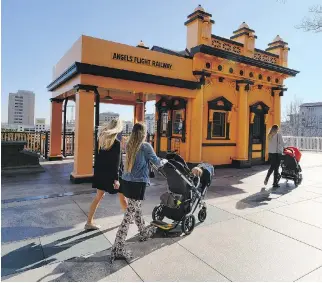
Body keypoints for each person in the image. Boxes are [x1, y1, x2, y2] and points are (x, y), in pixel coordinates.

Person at [110, 122, 162, 263]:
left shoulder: (129, 144)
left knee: (135, 208)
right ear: (144, 133)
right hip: (138, 184)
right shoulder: (145, 146)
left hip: (127, 182)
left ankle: (143, 232)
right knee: (128, 217)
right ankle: (118, 247)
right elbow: (157, 162)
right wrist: (164, 161)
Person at [84, 119, 124, 230]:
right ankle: (128, 219)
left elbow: (99, 158)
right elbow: (117, 162)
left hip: (101, 172)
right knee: (123, 196)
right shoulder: (116, 143)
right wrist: (116, 179)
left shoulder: (101, 140)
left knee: (98, 197)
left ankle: (89, 222)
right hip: (112, 174)